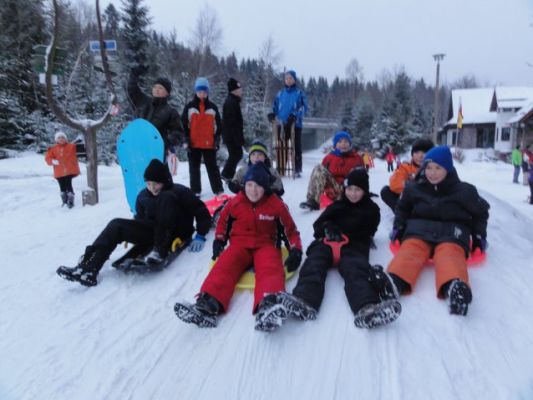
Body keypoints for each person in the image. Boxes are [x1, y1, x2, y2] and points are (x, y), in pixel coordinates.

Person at [174, 162, 303, 331]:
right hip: (239, 244)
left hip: (266, 245)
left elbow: (290, 231)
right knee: (225, 265)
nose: (253, 190)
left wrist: (296, 250)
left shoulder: (276, 205)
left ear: (265, 187)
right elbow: (222, 222)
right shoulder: (235, 203)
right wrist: (219, 240)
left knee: (270, 268)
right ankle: (207, 305)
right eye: (250, 185)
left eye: (258, 186)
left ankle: (269, 306)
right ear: (244, 185)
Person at [56, 159, 212, 287]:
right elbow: (140, 218)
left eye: (156, 184)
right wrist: (131, 231)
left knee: (166, 197)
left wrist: (200, 235)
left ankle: (159, 251)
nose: (152, 188)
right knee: (116, 225)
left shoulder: (180, 192)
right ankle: (89, 267)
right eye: (148, 184)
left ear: (165, 181)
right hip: (154, 231)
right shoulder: (143, 196)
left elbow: (202, 212)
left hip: (176, 231)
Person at [279, 169, 402, 329]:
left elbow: (370, 230)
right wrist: (328, 227)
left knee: (357, 271)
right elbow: (318, 225)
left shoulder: (371, 209)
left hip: (353, 246)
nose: (353, 193)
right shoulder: (337, 205)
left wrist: (352, 234)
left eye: (357, 190)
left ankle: (367, 307)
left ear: (365, 191)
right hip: (328, 242)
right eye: (349, 189)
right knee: (313, 264)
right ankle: (304, 300)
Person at [375, 146, 490, 316]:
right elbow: (402, 209)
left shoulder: (465, 191)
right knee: (410, 250)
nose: (432, 173)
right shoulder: (414, 188)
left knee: (450, 254)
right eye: (428, 168)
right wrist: (398, 227)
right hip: (419, 231)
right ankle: (394, 282)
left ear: (448, 168)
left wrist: (479, 236)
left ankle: (454, 288)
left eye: (438, 168)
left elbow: (481, 213)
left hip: (452, 233)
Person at [127, 67, 183, 159]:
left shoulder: (170, 112)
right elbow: (131, 90)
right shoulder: (143, 102)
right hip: (138, 149)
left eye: (160, 88)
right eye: (155, 87)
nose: (156, 90)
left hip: (158, 153)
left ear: (167, 93)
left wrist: (165, 142)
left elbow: (178, 133)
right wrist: (134, 75)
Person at [299, 131, 363, 210]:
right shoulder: (329, 157)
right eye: (340, 142)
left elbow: (363, 177)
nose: (343, 144)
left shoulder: (356, 158)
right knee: (319, 169)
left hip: (349, 189)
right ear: (335, 145)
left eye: (346, 141)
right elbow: (321, 176)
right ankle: (313, 200)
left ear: (350, 144)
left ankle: (350, 199)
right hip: (334, 187)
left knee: (357, 173)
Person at [181, 77, 224, 197]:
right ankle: (195, 191)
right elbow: (183, 124)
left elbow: (219, 125)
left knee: (212, 168)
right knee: (194, 169)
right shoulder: (189, 107)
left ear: (207, 92)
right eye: (199, 91)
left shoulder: (213, 108)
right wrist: (186, 139)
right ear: (196, 91)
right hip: (193, 144)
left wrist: (217, 139)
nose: (202, 94)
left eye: (204, 91)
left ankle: (218, 189)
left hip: (209, 144)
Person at [268, 70, 308, 177]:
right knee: (281, 147)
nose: (288, 80)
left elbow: (304, 107)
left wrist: (295, 115)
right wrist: (272, 113)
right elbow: (275, 106)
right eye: (286, 78)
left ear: (294, 80)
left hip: (295, 124)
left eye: (290, 78)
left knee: (296, 147)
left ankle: (297, 169)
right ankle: (281, 168)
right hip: (282, 125)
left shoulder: (299, 93)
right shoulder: (280, 94)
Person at [380, 138, 434, 212]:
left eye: (424, 152)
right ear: (412, 154)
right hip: (409, 200)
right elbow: (395, 184)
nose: (420, 156)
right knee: (385, 191)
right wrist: (414, 190)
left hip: (428, 201)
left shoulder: (437, 168)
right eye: (416, 152)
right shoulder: (405, 166)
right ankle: (401, 212)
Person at [45, 131, 81, 208]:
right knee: (62, 186)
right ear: (56, 140)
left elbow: (78, 146)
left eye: (63, 137)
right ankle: (64, 200)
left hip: (69, 170)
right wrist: (52, 161)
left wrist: (79, 141)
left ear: (66, 139)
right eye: (59, 138)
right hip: (59, 171)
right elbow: (48, 158)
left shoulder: (71, 146)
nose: (61, 139)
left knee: (68, 184)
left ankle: (70, 200)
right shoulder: (53, 149)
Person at [220, 78, 244, 181]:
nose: (241, 91)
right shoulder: (231, 102)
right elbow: (231, 122)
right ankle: (226, 174)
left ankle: (229, 175)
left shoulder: (234, 101)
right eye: (239, 89)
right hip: (231, 136)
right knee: (236, 155)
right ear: (234, 90)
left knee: (236, 155)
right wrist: (236, 137)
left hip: (232, 135)